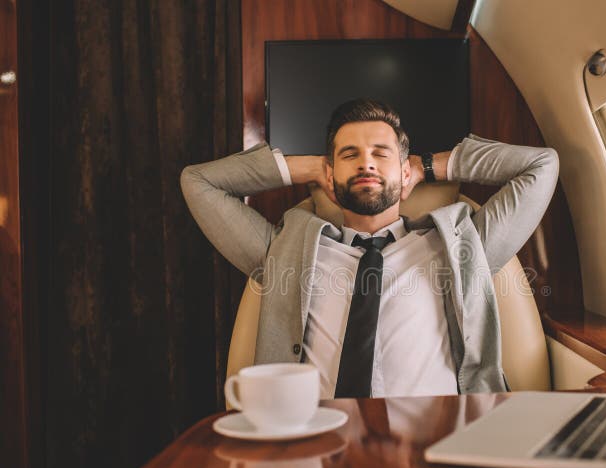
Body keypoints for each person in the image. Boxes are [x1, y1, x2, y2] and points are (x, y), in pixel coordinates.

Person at [181, 98, 558, 398]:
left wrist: (429, 166)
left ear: (404, 171)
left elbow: (542, 166)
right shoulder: (283, 251)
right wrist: (311, 167)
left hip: (434, 444)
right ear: (331, 173)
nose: (366, 163)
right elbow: (198, 182)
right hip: (317, 446)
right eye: (349, 155)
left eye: (381, 153)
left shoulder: (461, 246)